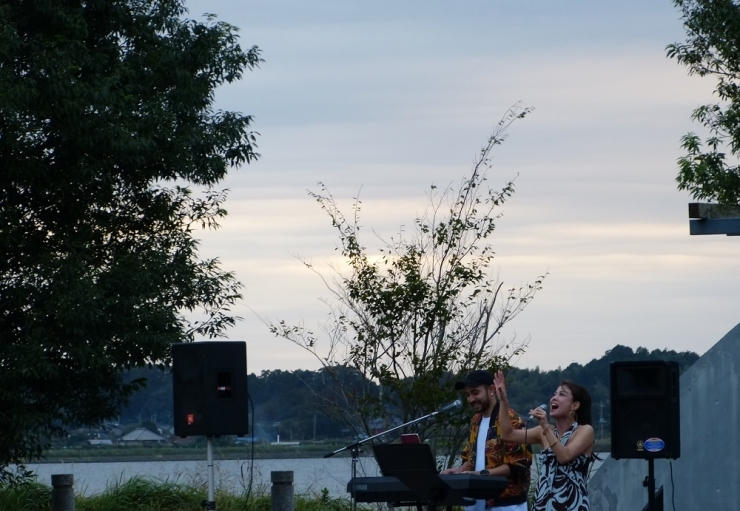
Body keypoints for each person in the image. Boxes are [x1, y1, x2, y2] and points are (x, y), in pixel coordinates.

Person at [493, 370, 595, 511]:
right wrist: (503, 401)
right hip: (543, 504)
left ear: (575, 405)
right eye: (554, 394)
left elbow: (564, 456)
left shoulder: (585, 431)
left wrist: (545, 425)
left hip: (572, 504)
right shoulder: (544, 431)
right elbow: (507, 434)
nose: (554, 398)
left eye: (561, 394)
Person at [441, 369, 531, 511]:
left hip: (506, 504)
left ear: (491, 390)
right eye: (468, 395)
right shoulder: (475, 421)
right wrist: (458, 471)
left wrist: (481, 475)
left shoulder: (511, 419)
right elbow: (470, 459)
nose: (471, 399)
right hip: (475, 502)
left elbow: (518, 465)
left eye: (475, 393)